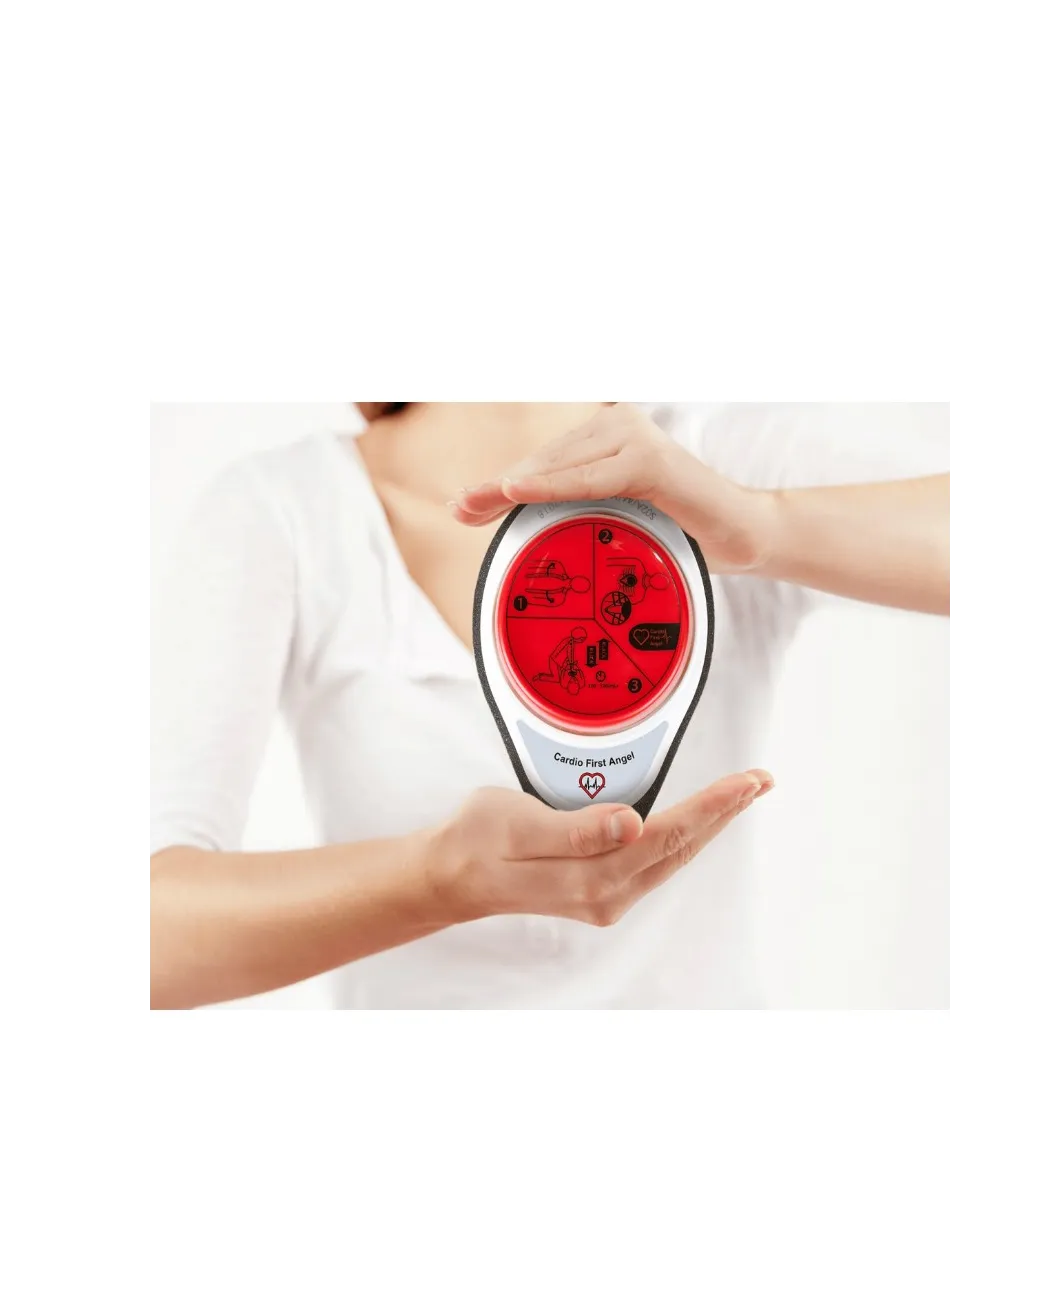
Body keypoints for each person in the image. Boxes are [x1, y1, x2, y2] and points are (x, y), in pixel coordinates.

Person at [146, 402, 950, 1009]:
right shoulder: (289, 508)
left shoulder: (716, 462)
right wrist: (438, 880)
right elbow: (152, 936)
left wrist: (761, 527)